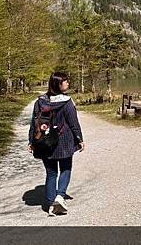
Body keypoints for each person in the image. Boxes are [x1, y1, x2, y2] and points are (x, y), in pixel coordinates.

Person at [28, 72, 85, 215]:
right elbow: (73, 123)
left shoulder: (40, 101)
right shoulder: (67, 102)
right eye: (64, 81)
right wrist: (80, 139)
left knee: (51, 173)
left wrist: (31, 141)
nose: (67, 84)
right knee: (65, 169)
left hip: (45, 143)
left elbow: (34, 123)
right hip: (64, 141)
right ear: (57, 84)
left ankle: (50, 203)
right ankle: (60, 196)